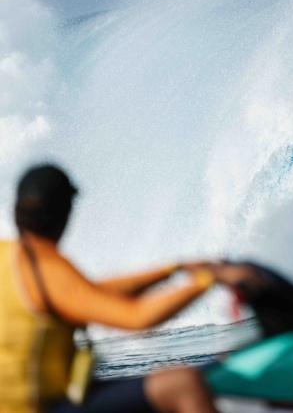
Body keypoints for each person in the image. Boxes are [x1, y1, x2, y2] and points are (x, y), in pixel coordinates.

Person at [0, 164, 239, 413]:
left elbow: (92, 295)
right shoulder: (46, 268)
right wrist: (206, 280)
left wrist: (172, 269)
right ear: (66, 214)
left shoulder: (8, 255)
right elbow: (137, 317)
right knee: (182, 384)